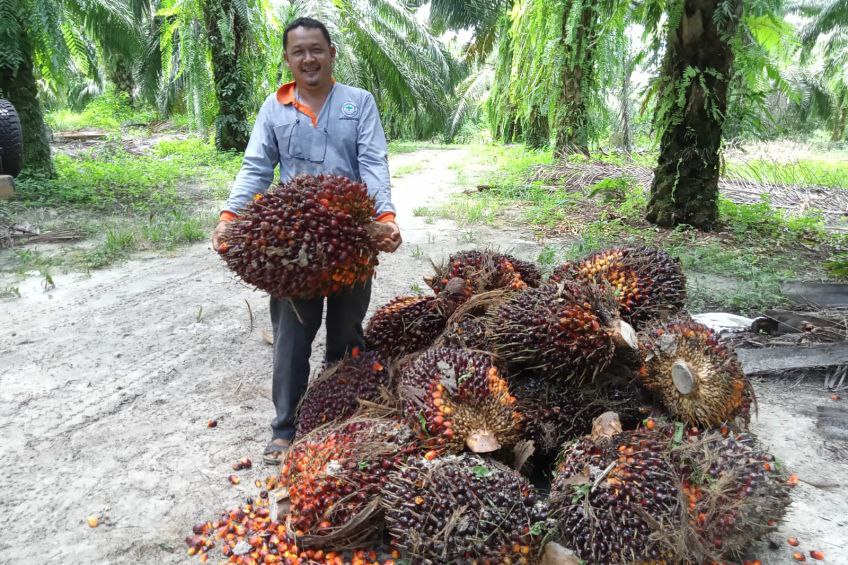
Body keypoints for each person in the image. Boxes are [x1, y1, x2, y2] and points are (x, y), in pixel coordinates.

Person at [211, 17, 401, 464]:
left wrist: (385, 217)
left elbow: (373, 162)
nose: (308, 58)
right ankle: (286, 426)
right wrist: (230, 216)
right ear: (288, 59)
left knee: (347, 334)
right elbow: (256, 167)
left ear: (331, 53)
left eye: (316, 49)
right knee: (291, 337)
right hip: (294, 245)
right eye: (299, 51)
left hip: (351, 240)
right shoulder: (274, 108)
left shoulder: (359, 103)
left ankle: (341, 417)